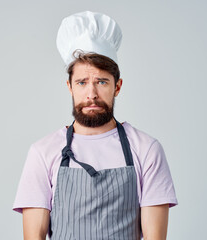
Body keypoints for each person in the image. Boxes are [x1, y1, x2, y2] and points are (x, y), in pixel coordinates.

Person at [13, 11, 178, 240]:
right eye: (82, 82)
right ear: (70, 87)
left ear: (117, 87)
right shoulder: (42, 153)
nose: (91, 94)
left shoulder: (147, 150)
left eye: (101, 82)